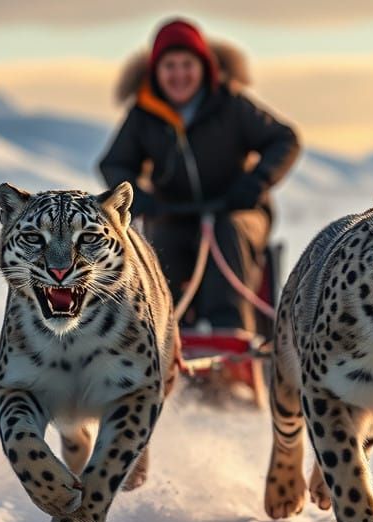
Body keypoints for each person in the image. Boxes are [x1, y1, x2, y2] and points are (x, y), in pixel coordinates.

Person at [99, 18, 300, 335]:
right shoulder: (143, 113)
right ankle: (164, 330)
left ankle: (229, 331)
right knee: (157, 244)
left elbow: (285, 139)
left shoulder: (231, 104)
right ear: (157, 71)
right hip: (173, 214)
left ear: (203, 66)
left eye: (187, 64)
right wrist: (141, 200)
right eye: (170, 66)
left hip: (238, 210)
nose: (179, 74)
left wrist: (256, 183)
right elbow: (114, 164)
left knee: (227, 232)